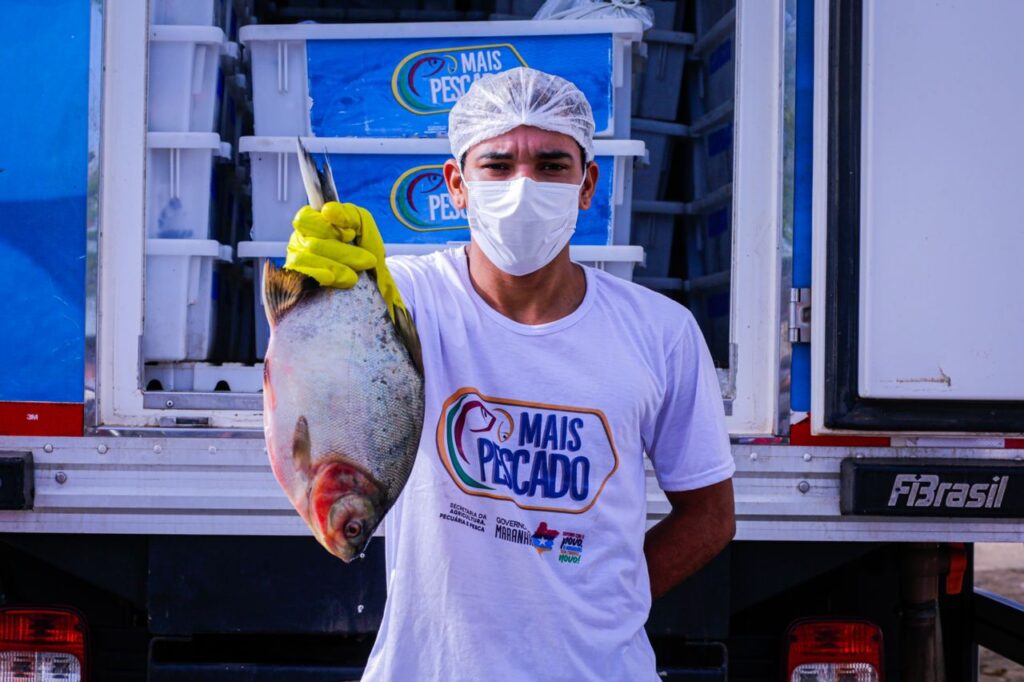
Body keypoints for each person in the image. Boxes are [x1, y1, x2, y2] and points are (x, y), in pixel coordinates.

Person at [285, 67, 736, 681]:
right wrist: (322, 288)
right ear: (457, 184)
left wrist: (612, 600)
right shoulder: (407, 301)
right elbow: (313, 381)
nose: (524, 185)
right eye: (497, 165)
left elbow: (710, 514)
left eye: (551, 165)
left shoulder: (661, 332)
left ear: (587, 184)